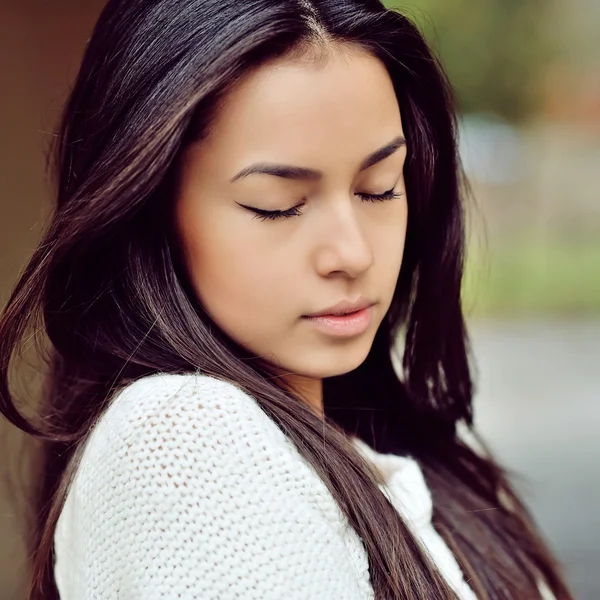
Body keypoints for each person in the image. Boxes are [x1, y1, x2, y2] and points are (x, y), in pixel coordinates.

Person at [0, 0, 573, 599]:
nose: (352, 254)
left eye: (379, 190)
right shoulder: (184, 441)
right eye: (277, 204)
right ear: (149, 211)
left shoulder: (399, 444)